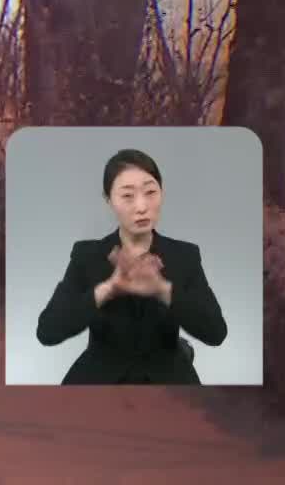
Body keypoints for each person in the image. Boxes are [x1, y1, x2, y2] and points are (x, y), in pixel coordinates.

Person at [35, 148, 227, 383]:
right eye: (127, 196)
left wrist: (163, 290)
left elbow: (216, 332)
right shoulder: (88, 255)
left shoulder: (184, 256)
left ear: (162, 193)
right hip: (99, 381)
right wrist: (107, 289)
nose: (141, 206)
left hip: (169, 383)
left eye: (150, 192)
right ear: (109, 200)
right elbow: (47, 331)